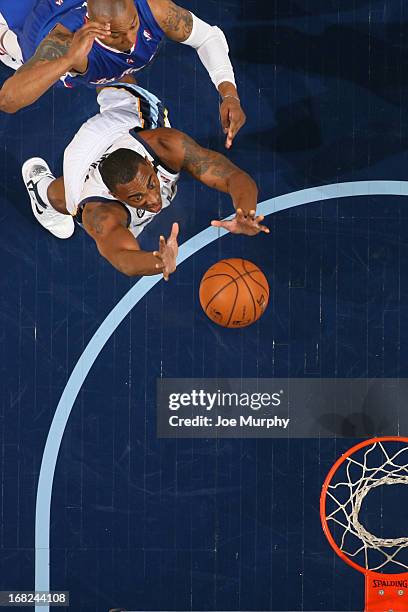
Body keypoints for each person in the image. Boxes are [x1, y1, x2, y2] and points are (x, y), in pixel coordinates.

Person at [22, 83, 268, 280]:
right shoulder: (100, 212)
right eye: (136, 198)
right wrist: (159, 262)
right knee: (65, 198)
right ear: (116, 196)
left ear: (150, 164)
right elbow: (123, 258)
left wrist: (245, 211)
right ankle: (41, 191)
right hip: (83, 154)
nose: (153, 200)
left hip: (122, 123)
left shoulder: (166, 145)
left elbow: (234, 177)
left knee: (117, 74)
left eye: (151, 184)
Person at [0, 0, 245, 148]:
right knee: (12, 47)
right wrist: (68, 60)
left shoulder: (153, 9)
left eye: (133, 26)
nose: (129, 40)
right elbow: (8, 100)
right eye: (115, 35)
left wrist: (229, 94)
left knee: (119, 76)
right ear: (90, 23)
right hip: (21, 26)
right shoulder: (64, 41)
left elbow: (208, 37)